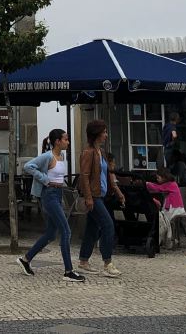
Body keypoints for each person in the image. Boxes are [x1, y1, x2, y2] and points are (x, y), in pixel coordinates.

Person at [16, 128, 85, 283]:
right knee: (66, 230)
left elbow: (59, 176)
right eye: (66, 139)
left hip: (58, 194)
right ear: (57, 141)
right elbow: (28, 166)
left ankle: (26, 259)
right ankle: (68, 271)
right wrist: (46, 180)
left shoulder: (61, 156)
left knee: (51, 234)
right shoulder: (47, 156)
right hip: (49, 195)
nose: (68, 142)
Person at [75, 119, 126, 278]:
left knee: (92, 228)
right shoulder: (88, 152)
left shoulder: (101, 152)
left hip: (101, 196)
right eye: (104, 132)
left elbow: (107, 173)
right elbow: (84, 176)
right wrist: (88, 197)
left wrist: (116, 190)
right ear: (96, 134)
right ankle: (107, 263)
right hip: (94, 197)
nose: (106, 135)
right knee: (108, 225)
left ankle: (83, 261)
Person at [145, 164, 186, 250]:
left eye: (158, 177)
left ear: (164, 177)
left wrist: (147, 183)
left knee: (159, 219)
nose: (157, 179)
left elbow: (157, 188)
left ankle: (160, 240)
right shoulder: (172, 184)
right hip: (176, 208)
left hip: (174, 209)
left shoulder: (169, 184)